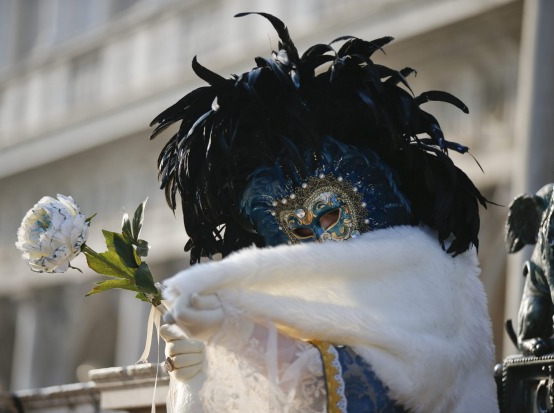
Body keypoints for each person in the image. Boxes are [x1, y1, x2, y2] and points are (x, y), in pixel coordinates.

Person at [151, 12, 499, 413]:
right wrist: (203, 372)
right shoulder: (288, 301)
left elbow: (374, 387)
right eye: (296, 232)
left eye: (330, 215)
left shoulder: (427, 273)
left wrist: (238, 336)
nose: (317, 239)